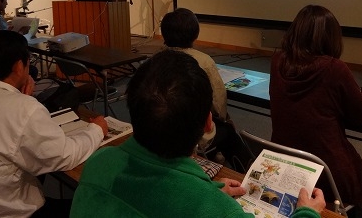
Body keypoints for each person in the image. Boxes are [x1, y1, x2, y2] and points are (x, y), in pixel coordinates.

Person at [70, 50, 326, 218]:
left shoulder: (98, 163)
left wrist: (207, 190)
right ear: (207, 122)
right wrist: (308, 213)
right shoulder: (217, 211)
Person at [0, 30, 108, 218]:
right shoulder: (24, 109)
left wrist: (21, 98)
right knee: (97, 206)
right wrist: (97, 129)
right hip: (2, 213)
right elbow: (65, 156)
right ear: (18, 66)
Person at [269, 5, 362, 218]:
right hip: (328, 176)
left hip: (286, 165)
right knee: (356, 179)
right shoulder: (334, 68)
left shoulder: (277, 61)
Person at [160, 8, 228, 153]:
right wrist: (222, 118)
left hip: (160, 128)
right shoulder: (204, 61)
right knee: (229, 131)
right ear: (195, 33)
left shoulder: (156, 59)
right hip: (193, 135)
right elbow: (218, 102)